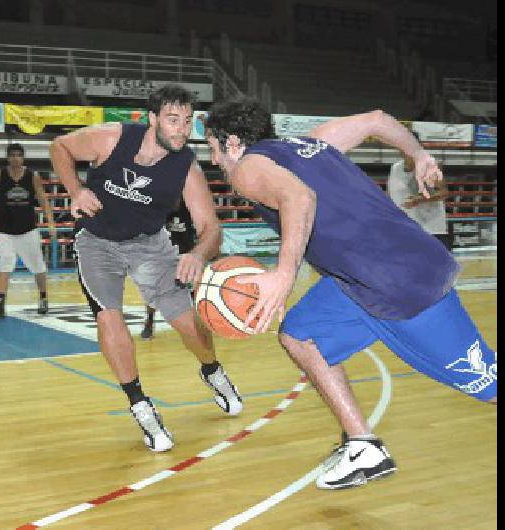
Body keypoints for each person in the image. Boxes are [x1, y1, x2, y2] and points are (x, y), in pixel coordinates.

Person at [204, 99, 497, 490]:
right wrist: (418, 153)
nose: (213, 157)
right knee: (299, 333)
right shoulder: (313, 143)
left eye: (212, 146)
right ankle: (362, 445)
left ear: (234, 142)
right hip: (369, 277)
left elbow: (299, 199)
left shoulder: (247, 167)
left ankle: (365, 445)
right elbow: (377, 119)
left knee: (490, 388)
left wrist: (284, 274)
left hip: (399, 285)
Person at [49, 84, 243, 453]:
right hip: (96, 241)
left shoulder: (186, 167)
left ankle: (212, 370)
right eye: (173, 120)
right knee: (110, 318)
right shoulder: (113, 138)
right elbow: (59, 146)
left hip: (150, 246)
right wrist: (75, 190)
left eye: (187, 122)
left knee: (191, 326)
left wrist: (199, 254)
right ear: (152, 119)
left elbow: (211, 228)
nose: (181, 129)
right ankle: (139, 403)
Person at [0, 143, 55, 317]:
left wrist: (51, 222)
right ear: (8, 158)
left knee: (37, 265)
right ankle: (0, 302)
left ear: (22, 157)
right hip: (5, 230)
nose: (15, 158)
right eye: (12, 155)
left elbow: (43, 200)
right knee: (5, 263)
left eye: (18, 155)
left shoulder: (32, 176)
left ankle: (43, 297)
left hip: (28, 229)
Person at [140, 198, 197, 340]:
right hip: (163, 254)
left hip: (185, 253)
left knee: (191, 290)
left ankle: (197, 322)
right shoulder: (161, 207)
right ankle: (149, 321)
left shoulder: (190, 205)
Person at [387, 154, 452, 251]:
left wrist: (420, 200)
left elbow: (444, 193)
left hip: (432, 231)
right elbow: (391, 196)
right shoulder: (395, 168)